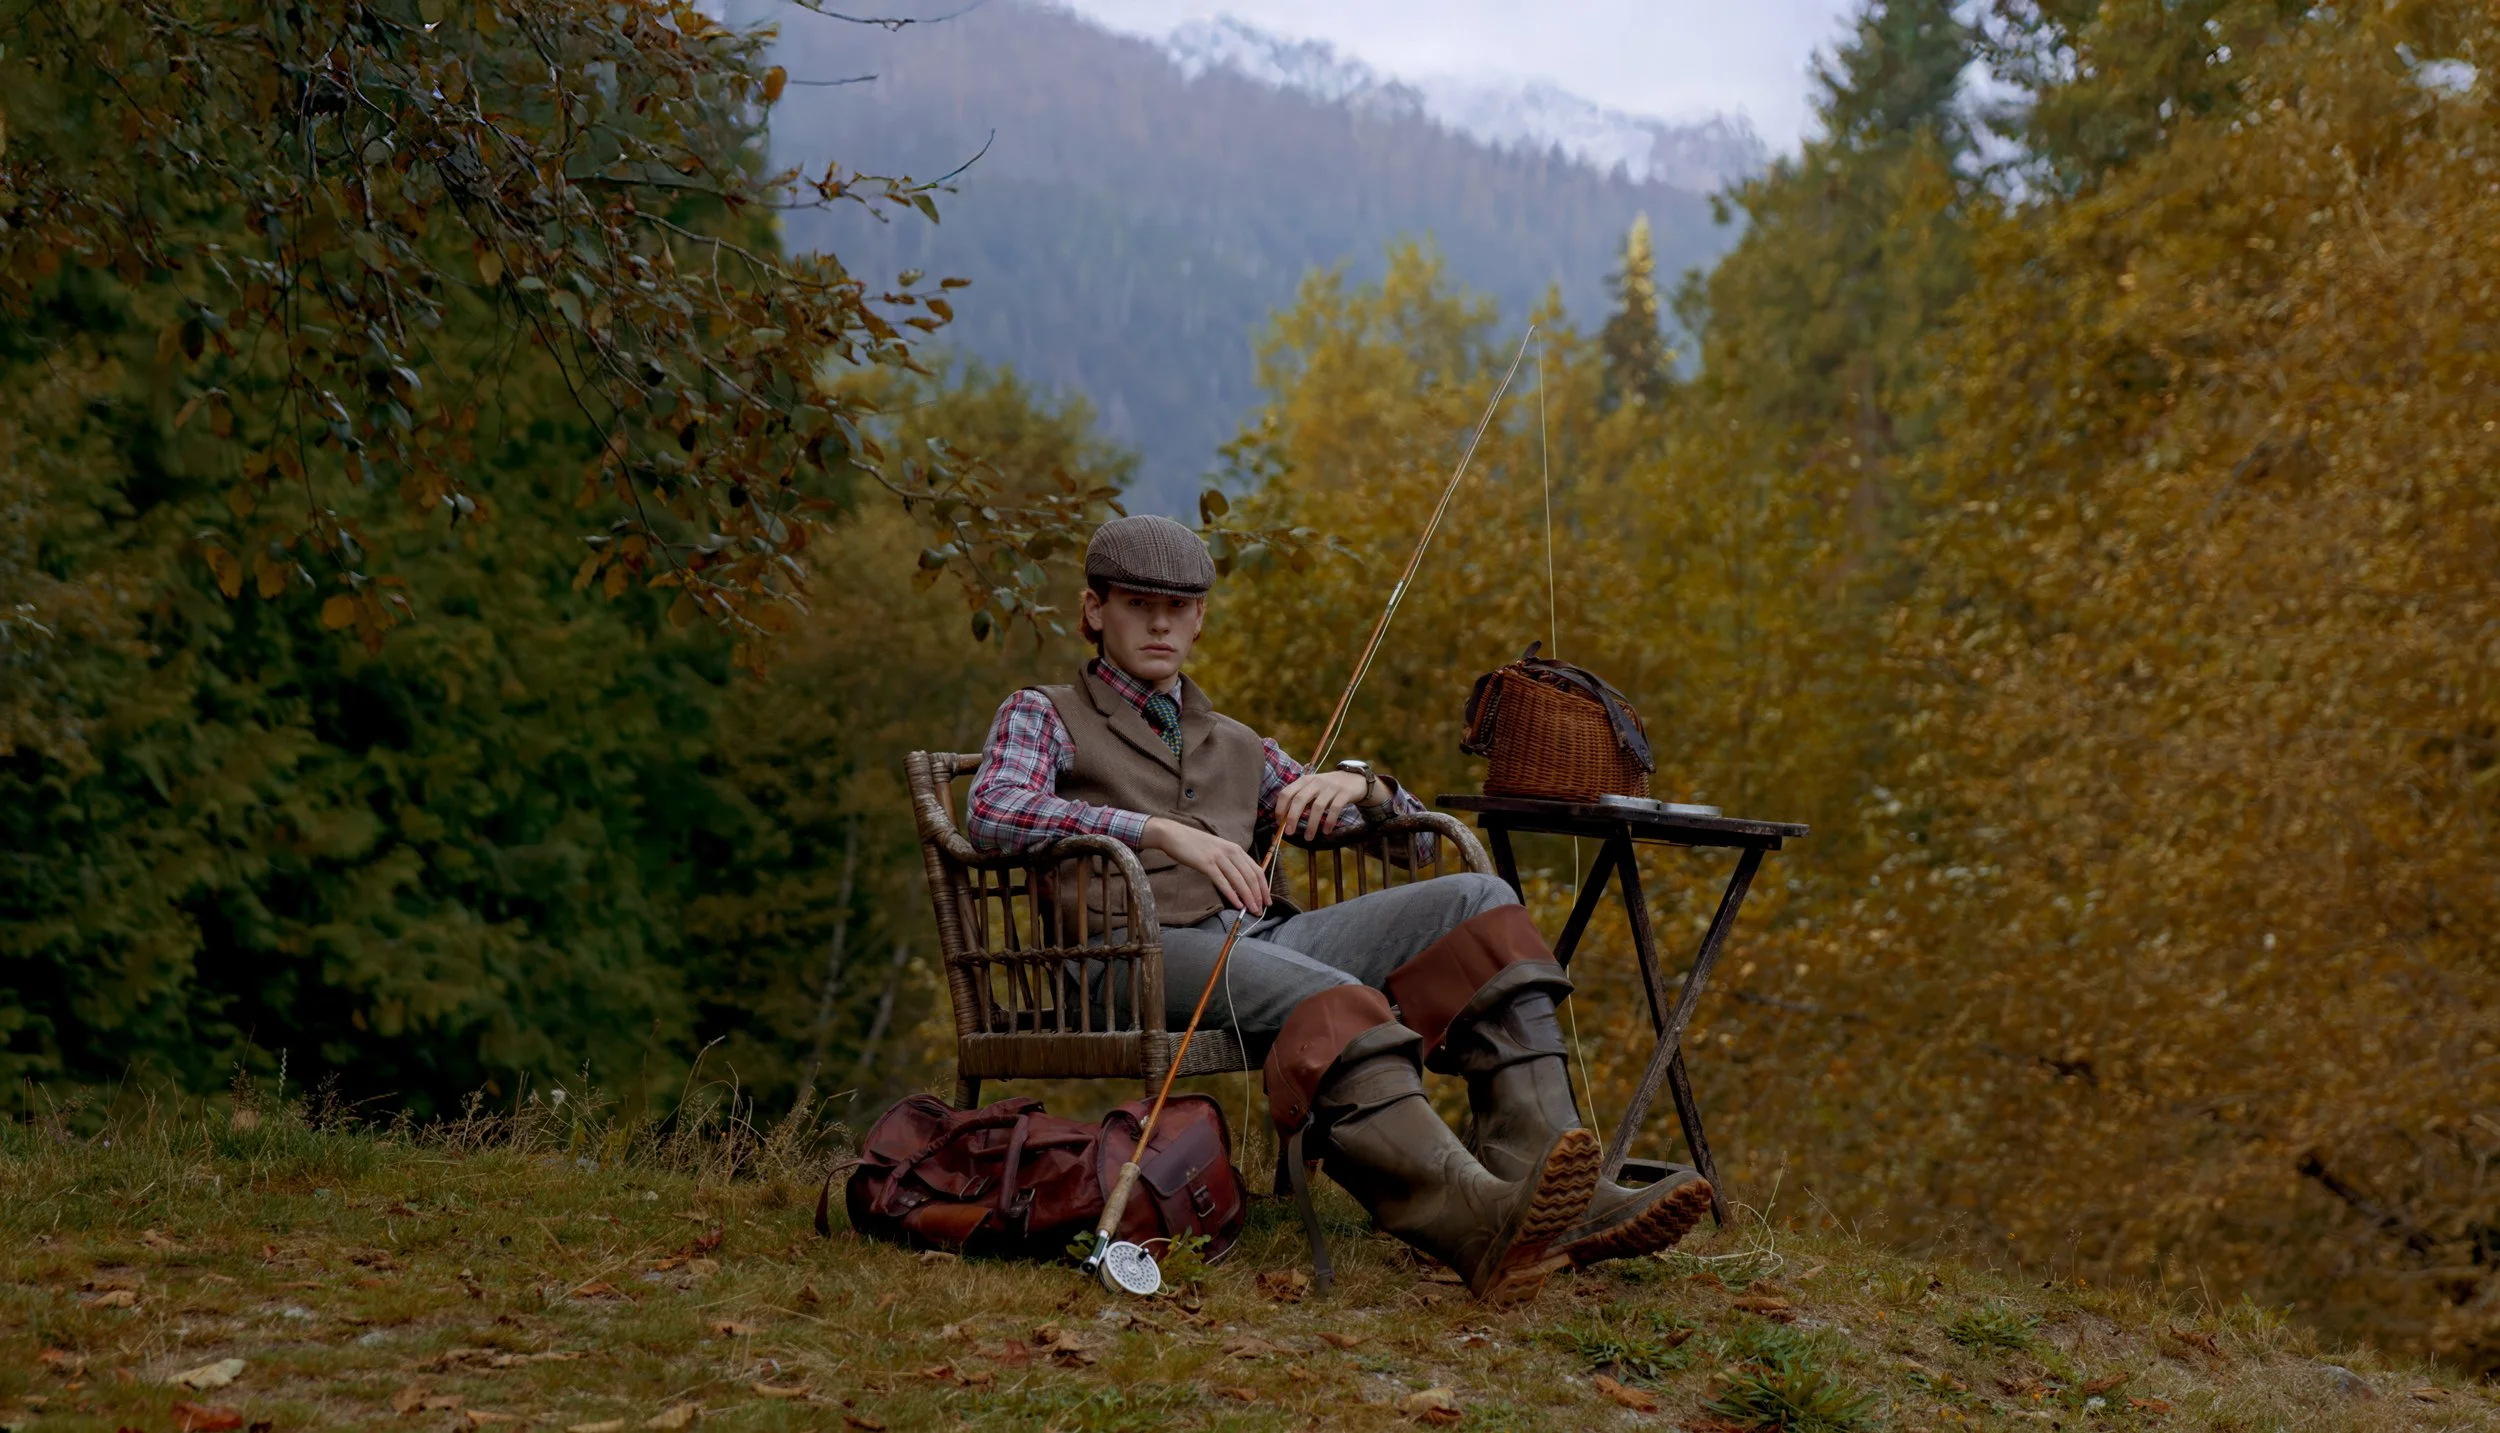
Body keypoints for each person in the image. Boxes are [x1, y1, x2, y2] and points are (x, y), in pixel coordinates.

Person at [966, 514, 1711, 1302]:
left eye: (1178, 607)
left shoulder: (1237, 742)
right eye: (1137, 604)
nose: (1159, 623)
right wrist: (1154, 831)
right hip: (1123, 958)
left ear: (1200, 617)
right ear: (1094, 610)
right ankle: (1467, 1215)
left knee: (1479, 900)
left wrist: (1363, 785)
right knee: (1335, 996)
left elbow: (1415, 846)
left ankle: (1549, 1179)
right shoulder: (1044, 711)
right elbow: (992, 808)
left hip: (1256, 939)